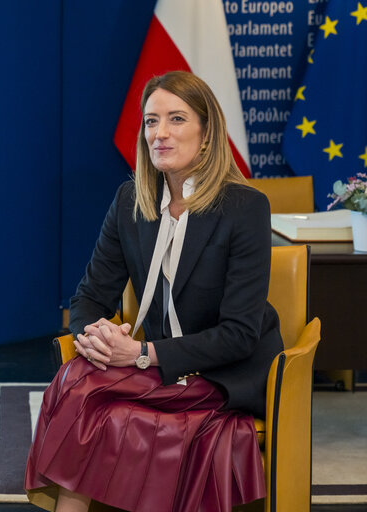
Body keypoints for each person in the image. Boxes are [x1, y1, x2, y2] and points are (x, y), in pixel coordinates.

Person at [24, 71, 283, 512]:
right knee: (78, 379)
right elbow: (89, 297)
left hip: (225, 371)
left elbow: (240, 334)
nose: (160, 133)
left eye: (176, 119)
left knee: (79, 387)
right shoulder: (130, 201)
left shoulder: (245, 207)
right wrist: (97, 337)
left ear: (206, 134)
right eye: (150, 121)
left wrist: (142, 354)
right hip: (158, 366)